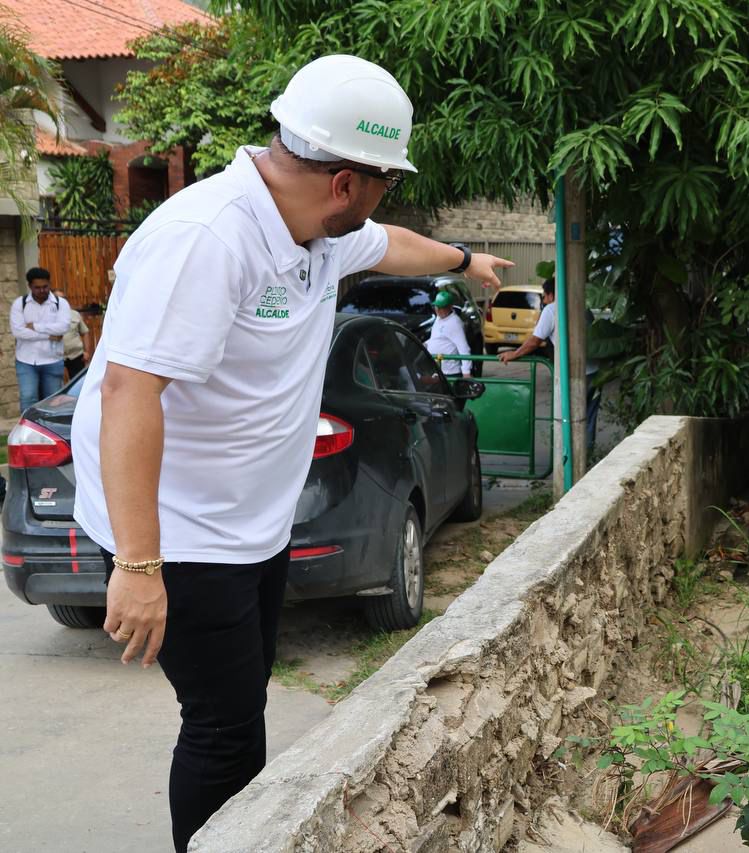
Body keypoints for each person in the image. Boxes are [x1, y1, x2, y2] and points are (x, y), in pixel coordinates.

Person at [68, 54, 512, 852]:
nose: (385, 199)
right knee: (224, 726)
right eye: (385, 182)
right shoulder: (207, 239)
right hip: (182, 531)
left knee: (244, 702)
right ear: (345, 181)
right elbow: (128, 393)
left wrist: (463, 262)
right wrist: (138, 566)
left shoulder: (317, 228)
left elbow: (392, 245)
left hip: (253, 524)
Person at [500, 278, 601, 450]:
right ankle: (588, 459)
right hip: (596, 371)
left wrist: (514, 354)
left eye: (544, 296)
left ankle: (569, 460)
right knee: (588, 418)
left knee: (569, 418)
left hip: (575, 373)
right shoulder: (582, 307)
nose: (544, 301)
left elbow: (535, 341)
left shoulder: (552, 309)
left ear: (552, 294)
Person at [11, 267, 71, 411]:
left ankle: (50, 431)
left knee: (53, 400)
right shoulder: (20, 303)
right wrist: (50, 334)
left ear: (49, 284)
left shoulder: (60, 303)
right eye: (37, 287)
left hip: (53, 359)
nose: (42, 290)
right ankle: (27, 432)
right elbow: (18, 332)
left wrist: (35, 327)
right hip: (26, 361)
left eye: (45, 286)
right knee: (28, 398)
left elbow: (63, 327)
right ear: (30, 286)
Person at [425, 289, 472, 378]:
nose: (438, 310)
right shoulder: (439, 318)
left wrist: (466, 372)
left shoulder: (454, 323)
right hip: (438, 369)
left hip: (449, 372)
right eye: (436, 306)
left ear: (450, 307)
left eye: (441, 307)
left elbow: (463, 348)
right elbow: (437, 338)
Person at [55, 289, 90, 378]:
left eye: (63, 298)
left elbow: (85, 332)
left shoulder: (74, 314)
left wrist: (86, 352)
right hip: (56, 357)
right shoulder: (47, 316)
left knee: (78, 383)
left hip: (76, 355)